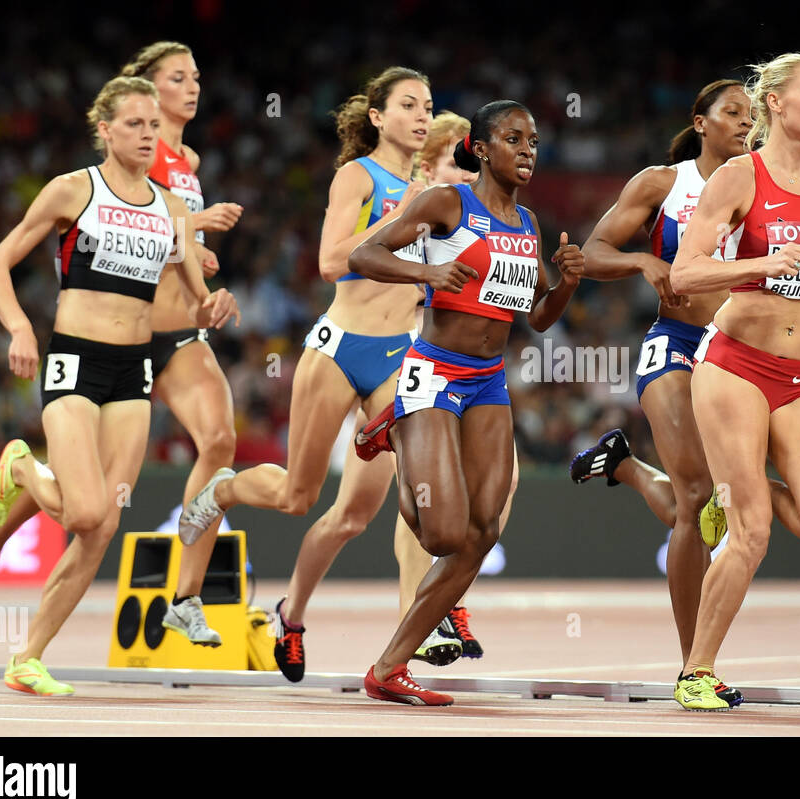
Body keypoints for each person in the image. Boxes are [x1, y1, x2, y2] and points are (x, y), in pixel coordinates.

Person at [173, 68, 471, 678]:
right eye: (408, 105)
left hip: (397, 359)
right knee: (296, 496)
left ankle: (423, 624)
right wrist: (410, 245)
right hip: (339, 350)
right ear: (378, 118)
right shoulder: (357, 177)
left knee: (393, 500)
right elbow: (334, 261)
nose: (421, 115)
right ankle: (223, 490)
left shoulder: (431, 192)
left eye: (428, 106)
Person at [0, 42, 245, 651]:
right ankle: (19, 467)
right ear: (107, 128)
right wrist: (18, 327)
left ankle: (32, 653)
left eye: (152, 125)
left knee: (103, 519)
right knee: (84, 511)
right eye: (136, 123)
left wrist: (214, 300)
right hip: (76, 357)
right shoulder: (73, 189)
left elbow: (198, 295)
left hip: (138, 364)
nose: (148, 134)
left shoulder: (175, 196)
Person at [669, 53, 800, 710]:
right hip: (735, 368)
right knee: (754, 533)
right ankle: (696, 673)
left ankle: (735, 486)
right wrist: (761, 262)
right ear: (776, 103)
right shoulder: (740, 176)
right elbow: (683, 274)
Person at [349, 100, 584, 705]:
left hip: (487, 382)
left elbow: (535, 318)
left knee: (481, 534)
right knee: (443, 535)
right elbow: (363, 256)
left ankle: (388, 669)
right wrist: (425, 276)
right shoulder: (446, 204)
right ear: (481, 148)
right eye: (513, 139)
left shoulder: (527, 224)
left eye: (533, 140)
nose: (528, 149)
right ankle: (398, 427)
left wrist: (567, 284)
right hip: (432, 372)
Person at [570, 80, 762, 706]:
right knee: (699, 498)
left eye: (752, 115)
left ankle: (622, 464)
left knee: (720, 507)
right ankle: (692, 667)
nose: (744, 122)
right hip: (677, 344)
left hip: (742, 357)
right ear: (700, 123)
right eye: (732, 112)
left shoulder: (768, 182)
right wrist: (642, 264)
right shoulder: (662, 183)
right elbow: (590, 253)